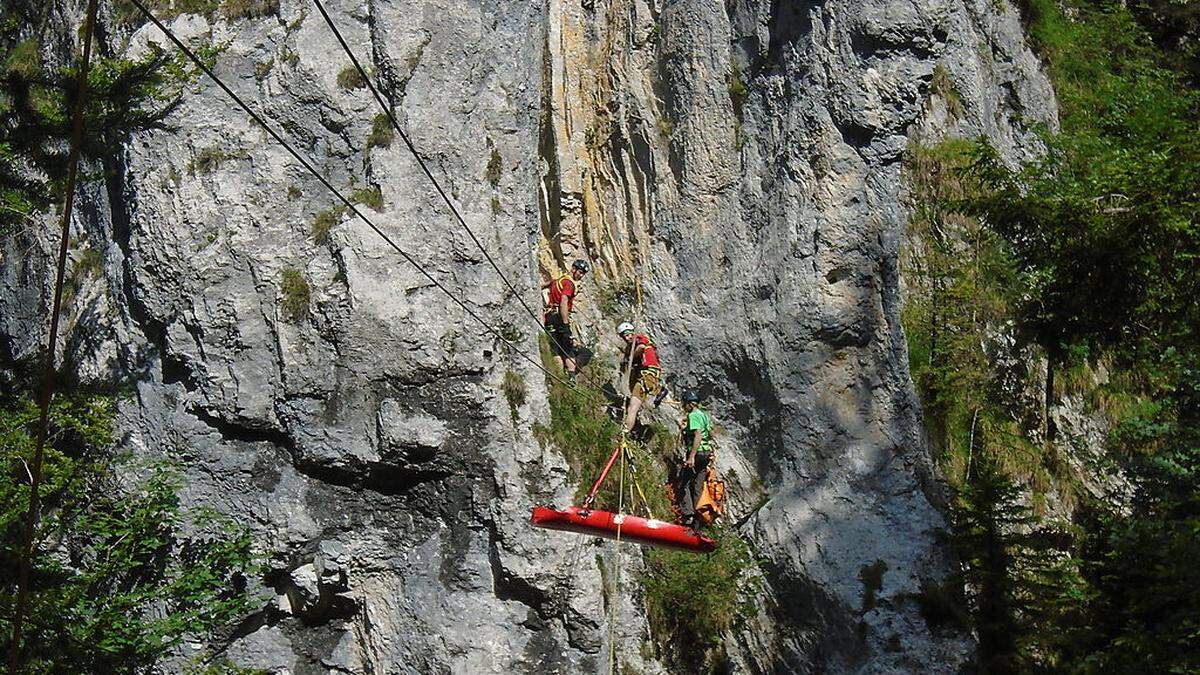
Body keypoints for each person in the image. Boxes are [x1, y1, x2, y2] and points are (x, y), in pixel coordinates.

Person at [543, 259, 588, 379]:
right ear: (573, 269)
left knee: (555, 349)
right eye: (580, 272)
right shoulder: (570, 284)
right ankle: (571, 378)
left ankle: (558, 378)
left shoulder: (560, 280)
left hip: (549, 316)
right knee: (568, 348)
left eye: (583, 273)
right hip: (559, 317)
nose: (581, 275)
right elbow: (564, 301)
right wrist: (565, 324)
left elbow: (546, 285)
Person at [677, 389, 713, 528]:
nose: (683, 406)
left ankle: (688, 515)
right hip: (705, 453)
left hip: (696, 453)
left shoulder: (693, 415)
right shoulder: (704, 415)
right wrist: (685, 428)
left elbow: (698, 435)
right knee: (697, 486)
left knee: (683, 484)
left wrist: (691, 456)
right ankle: (699, 519)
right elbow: (706, 433)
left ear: (690, 404)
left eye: (684, 403)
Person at [617, 322, 662, 433]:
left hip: (648, 374)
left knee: (633, 407)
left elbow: (641, 347)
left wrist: (629, 357)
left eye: (628, 335)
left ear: (633, 332)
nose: (627, 338)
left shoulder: (640, 338)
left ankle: (625, 431)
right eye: (624, 336)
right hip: (643, 374)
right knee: (633, 400)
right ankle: (631, 427)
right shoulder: (630, 347)